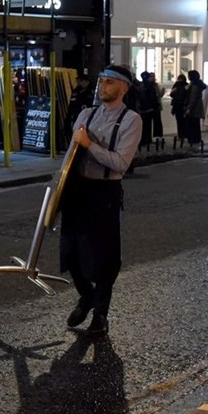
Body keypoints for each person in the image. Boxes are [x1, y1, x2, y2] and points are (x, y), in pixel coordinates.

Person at [60, 64, 142, 337]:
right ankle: (87, 296)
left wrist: (89, 145)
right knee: (70, 253)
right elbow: (70, 155)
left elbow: (120, 163)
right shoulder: (86, 113)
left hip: (105, 192)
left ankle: (100, 315)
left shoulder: (131, 120)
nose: (101, 86)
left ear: (123, 88)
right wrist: (56, 188)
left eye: (109, 82)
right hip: (78, 190)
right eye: (101, 81)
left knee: (105, 258)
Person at [184, 70, 207, 147]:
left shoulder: (194, 85)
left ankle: (193, 139)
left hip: (194, 108)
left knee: (192, 124)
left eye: (189, 75)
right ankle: (197, 139)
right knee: (196, 124)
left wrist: (188, 108)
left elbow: (193, 98)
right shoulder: (198, 83)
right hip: (197, 106)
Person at [169, 74, 189, 145]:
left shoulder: (176, 85)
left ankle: (181, 135)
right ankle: (185, 135)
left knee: (179, 121)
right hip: (184, 105)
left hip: (177, 105)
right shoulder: (186, 85)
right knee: (184, 121)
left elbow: (171, 94)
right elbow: (188, 95)